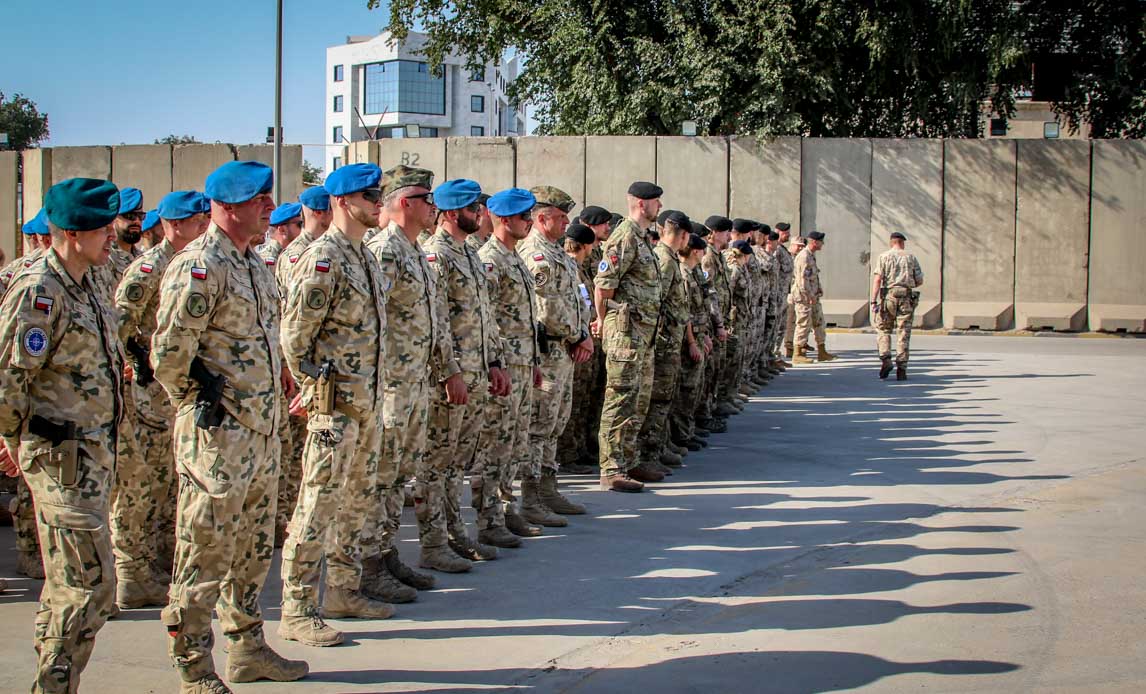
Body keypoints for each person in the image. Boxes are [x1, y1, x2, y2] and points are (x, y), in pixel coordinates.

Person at [152, 161, 308, 692]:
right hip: (218, 436)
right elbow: (169, 355)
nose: (269, 206)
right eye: (258, 198)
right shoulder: (199, 266)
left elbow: (267, 336)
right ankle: (193, 664)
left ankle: (247, 648)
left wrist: (280, 378)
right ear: (227, 206)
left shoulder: (254, 264)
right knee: (205, 549)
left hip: (261, 433)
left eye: (268, 198)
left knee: (252, 547)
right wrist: (201, 405)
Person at [0, 177, 123, 694]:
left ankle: (54, 680)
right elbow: (9, 379)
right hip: (60, 457)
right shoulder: (39, 291)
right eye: (102, 228)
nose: (113, 236)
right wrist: (10, 444)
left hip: (92, 454)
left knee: (66, 587)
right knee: (91, 586)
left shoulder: (89, 279)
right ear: (73, 233)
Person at [277, 162, 393, 648]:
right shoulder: (324, 258)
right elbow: (293, 337)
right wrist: (313, 390)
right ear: (344, 202)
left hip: (366, 404)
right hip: (335, 407)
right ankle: (297, 606)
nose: (378, 203)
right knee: (319, 501)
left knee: (357, 501)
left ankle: (343, 591)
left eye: (380, 194)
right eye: (370, 196)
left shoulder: (362, 255)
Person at [365, 165, 471, 580]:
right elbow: (371, 321)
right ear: (405, 203)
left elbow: (435, 321)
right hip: (392, 382)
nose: (433, 207)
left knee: (399, 475)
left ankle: (387, 553)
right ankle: (370, 563)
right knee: (382, 475)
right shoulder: (385, 251)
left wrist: (448, 370)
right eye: (427, 200)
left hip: (416, 383)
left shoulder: (414, 250)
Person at [113, 191, 211, 608]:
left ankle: (157, 564)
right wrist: (132, 360)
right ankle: (131, 573)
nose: (204, 224)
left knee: (171, 483)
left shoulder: (195, 260)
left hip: (176, 395)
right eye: (196, 219)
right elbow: (118, 320)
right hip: (150, 395)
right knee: (141, 488)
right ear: (173, 225)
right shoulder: (151, 266)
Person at [421, 179, 508, 558]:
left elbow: (485, 317)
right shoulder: (436, 255)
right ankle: (434, 542)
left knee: (458, 462)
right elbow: (436, 322)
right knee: (436, 463)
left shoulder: (469, 253)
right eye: (474, 209)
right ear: (454, 213)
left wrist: (494, 362)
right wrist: (449, 372)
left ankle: (456, 532)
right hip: (450, 378)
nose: (481, 215)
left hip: (476, 373)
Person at [519, 186, 594, 519]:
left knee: (554, 425)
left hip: (563, 352)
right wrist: (579, 334)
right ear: (542, 217)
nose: (567, 223)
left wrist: (582, 333)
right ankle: (530, 500)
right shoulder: (535, 253)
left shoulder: (557, 252)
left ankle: (549, 491)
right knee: (538, 427)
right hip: (547, 350)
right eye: (561, 217)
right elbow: (547, 309)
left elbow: (576, 299)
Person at [476, 188, 545, 539]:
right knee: (495, 443)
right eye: (523, 217)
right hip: (502, 368)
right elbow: (486, 320)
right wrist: (493, 363)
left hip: (520, 365)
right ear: (504, 219)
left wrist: (532, 362)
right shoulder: (489, 260)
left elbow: (523, 319)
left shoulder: (515, 258)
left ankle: (506, 507)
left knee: (515, 442)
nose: (529, 223)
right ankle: (489, 519)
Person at [593, 182, 664, 493]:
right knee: (619, 399)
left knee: (638, 399)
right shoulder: (624, 236)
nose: (659, 207)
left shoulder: (642, 237)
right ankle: (610, 469)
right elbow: (604, 285)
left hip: (643, 334)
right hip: (626, 334)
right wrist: (601, 320)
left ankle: (629, 458)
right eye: (655, 202)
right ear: (640, 203)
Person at [274, 186, 333, 545]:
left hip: (312, 375)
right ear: (323, 212)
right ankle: (287, 520)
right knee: (297, 450)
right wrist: (299, 377)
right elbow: (293, 325)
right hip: (302, 374)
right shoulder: (300, 255)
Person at [636, 211, 691, 474]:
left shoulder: (667, 258)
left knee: (664, 397)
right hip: (663, 341)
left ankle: (658, 446)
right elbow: (658, 303)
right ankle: (647, 454)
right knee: (656, 398)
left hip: (670, 339)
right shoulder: (665, 261)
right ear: (683, 235)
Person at [871, 231, 924, 380]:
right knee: (903, 332)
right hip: (906, 298)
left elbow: (877, 280)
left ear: (891, 242)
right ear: (902, 242)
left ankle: (886, 359)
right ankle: (902, 369)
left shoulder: (883, 257)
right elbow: (919, 280)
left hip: (888, 297)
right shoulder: (911, 257)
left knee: (883, 329)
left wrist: (874, 301)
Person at [791, 230, 836, 364]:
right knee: (803, 324)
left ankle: (822, 351)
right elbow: (802, 280)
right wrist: (809, 294)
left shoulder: (811, 255)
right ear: (814, 242)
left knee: (819, 322)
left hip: (813, 296)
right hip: (804, 297)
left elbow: (813, 275)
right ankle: (797, 353)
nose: (823, 244)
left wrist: (818, 289)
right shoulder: (804, 256)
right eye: (821, 241)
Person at [783, 233, 807, 358]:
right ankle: (789, 346)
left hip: (798, 293)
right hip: (789, 293)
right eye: (798, 246)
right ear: (792, 245)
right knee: (790, 321)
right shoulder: (786, 257)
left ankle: (800, 344)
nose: (800, 248)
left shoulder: (801, 257)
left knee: (800, 321)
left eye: (802, 246)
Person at [257, 202, 303, 269]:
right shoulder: (268, 260)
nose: (303, 229)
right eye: (299, 224)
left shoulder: (294, 253)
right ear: (282, 230)